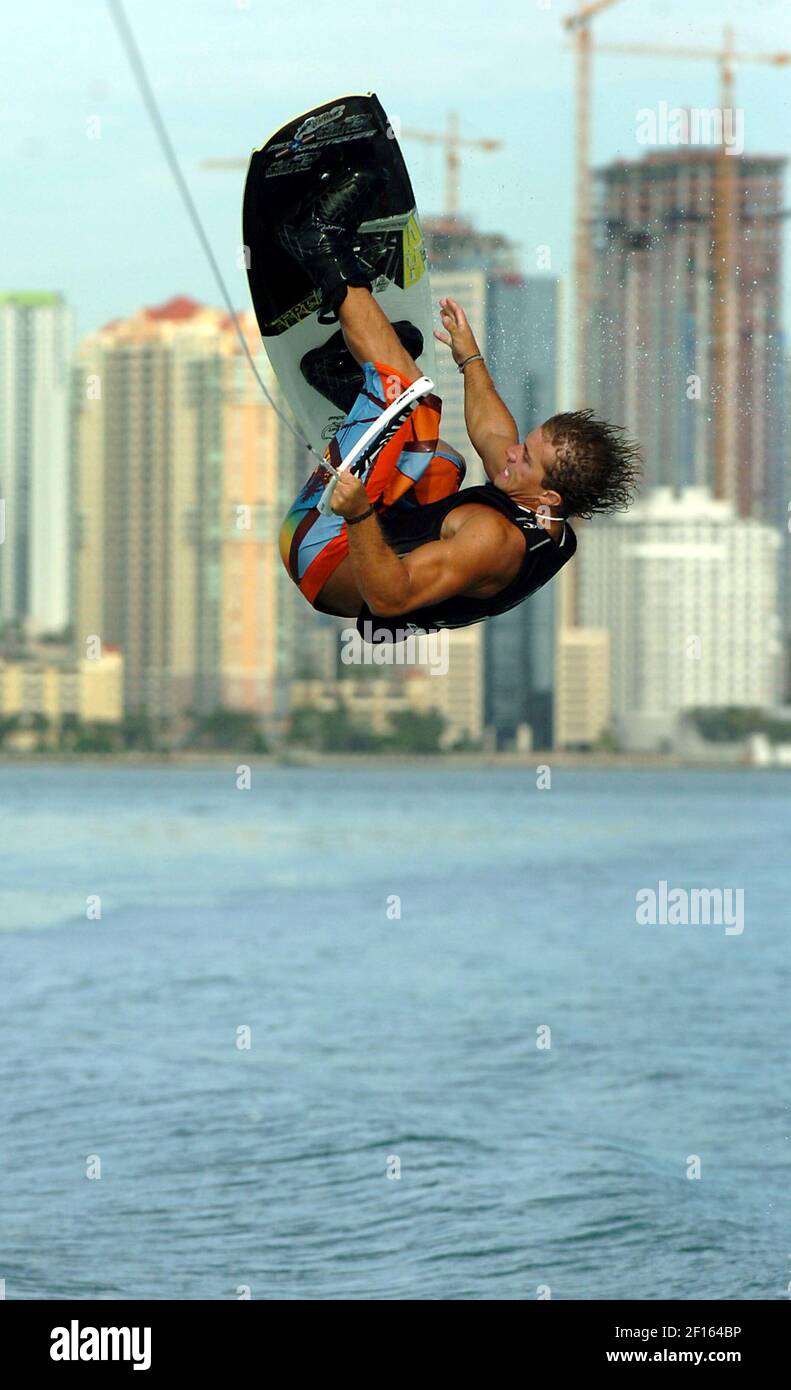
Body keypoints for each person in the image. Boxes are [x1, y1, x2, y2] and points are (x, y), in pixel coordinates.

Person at [278, 176, 641, 638]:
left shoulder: (493, 540)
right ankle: (346, 381)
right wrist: (470, 358)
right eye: (524, 445)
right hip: (377, 541)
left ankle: (318, 241)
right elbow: (494, 438)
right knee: (443, 459)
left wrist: (359, 513)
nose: (511, 453)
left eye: (525, 458)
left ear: (549, 496)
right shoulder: (545, 513)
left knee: (405, 390)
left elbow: (390, 600)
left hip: (319, 553)